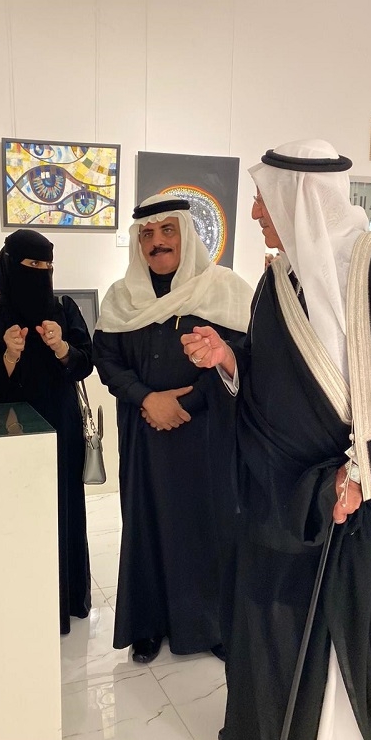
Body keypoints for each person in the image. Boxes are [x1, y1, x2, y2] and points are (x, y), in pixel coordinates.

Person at [182, 139, 371, 740]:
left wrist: (362, 472)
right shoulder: (278, 280)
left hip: (348, 498)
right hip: (277, 491)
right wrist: (229, 358)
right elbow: (273, 373)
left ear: (300, 200)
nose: (253, 213)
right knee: (269, 615)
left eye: (263, 200)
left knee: (336, 626)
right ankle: (276, 739)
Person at [92, 194, 253, 664]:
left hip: (206, 436)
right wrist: (148, 399)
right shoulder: (121, 298)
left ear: (187, 235)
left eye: (168, 231)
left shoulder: (224, 289)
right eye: (147, 233)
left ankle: (211, 625)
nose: (157, 242)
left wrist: (184, 403)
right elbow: (107, 359)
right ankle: (148, 625)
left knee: (207, 526)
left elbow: (243, 355)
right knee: (146, 526)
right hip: (144, 435)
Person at [0, 229, 93, 635]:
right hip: (10, 430)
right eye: (32, 264)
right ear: (10, 266)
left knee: (63, 508)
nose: (41, 272)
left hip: (61, 426)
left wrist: (62, 348)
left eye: (47, 265)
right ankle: (21, 604)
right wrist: (8, 356)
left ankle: (65, 601)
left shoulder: (64, 309)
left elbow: (85, 363)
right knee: (17, 512)